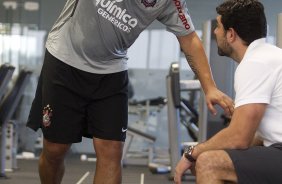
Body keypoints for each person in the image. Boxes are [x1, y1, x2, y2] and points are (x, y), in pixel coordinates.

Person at [26, 0, 234, 183]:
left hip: (111, 71)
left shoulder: (169, 2)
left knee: (112, 150)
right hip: (65, 61)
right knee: (55, 149)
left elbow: (190, 40)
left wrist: (210, 87)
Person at [174, 0, 282, 183]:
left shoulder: (255, 63)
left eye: (219, 27)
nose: (215, 32)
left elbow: (240, 137)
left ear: (231, 34)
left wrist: (192, 153)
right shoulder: (271, 55)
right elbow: (253, 137)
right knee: (222, 156)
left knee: (209, 162)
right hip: (276, 149)